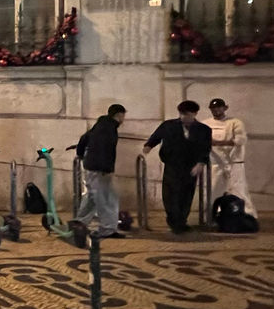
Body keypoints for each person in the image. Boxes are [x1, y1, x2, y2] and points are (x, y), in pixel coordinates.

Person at [144, 100, 213, 234]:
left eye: (186, 114)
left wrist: (201, 163)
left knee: (186, 194)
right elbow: (156, 136)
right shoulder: (169, 125)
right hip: (172, 164)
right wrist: (148, 146)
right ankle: (174, 221)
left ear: (194, 114)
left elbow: (205, 148)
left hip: (190, 166)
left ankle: (181, 221)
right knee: (170, 194)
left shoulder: (203, 130)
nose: (183, 117)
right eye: (181, 114)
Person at [73, 104, 127, 239]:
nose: (123, 119)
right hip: (100, 168)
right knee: (107, 199)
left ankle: (79, 222)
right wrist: (106, 168)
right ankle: (107, 229)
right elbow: (106, 149)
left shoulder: (100, 124)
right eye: (123, 116)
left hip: (91, 165)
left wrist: (80, 153)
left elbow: (84, 138)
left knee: (92, 196)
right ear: (119, 115)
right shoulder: (109, 128)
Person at [203, 98, 255, 215]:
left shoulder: (235, 122)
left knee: (238, 190)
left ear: (225, 108)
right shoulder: (205, 124)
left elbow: (240, 140)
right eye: (213, 108)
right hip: (214, 163)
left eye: (219, 107)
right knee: (213, 190)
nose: (216, 110)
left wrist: (215, 142)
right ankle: (212, 216)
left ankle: (245, 215)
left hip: (234, 162)